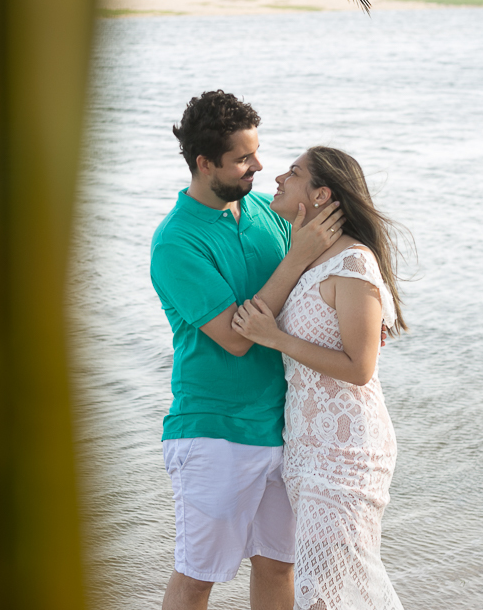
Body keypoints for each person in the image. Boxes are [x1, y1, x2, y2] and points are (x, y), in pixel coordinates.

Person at [150, 91, 345, 610]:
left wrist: (365, 318)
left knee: (279, 567)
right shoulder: (175, 243)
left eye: (256, 153)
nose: (259, 165)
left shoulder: (265, 210)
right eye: (242, 158)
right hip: (214, 431)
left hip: (285, 425)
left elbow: (331, 260)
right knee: (198, 577)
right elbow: (237, 338)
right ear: (204, 163)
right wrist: (297, 255)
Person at [232, 146, 408, 610]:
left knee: (330, 592)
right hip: (308, 444)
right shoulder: (309, 259)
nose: (278, 179)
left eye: (293, 173)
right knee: (330, 588)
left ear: (321, 193)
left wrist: (275, 338)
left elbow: (360, 367)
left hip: (347, 449)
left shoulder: (353, 263)